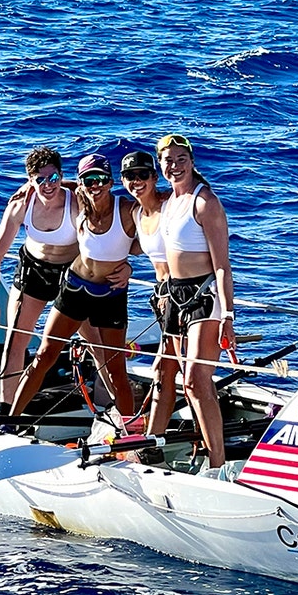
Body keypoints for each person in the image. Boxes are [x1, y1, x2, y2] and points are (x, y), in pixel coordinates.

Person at [8, 154, 138, 424]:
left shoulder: (126, 209)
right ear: (81, 184)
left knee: (116, 371)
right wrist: (30, 187)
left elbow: (152, 236)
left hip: (111, 294)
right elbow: (56, 185)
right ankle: (10, 422)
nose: (96, 185)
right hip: (75, 288)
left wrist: (129, 267)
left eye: (102, 179)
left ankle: (132, 434)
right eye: (90, 180)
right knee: (44, 355)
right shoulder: (79, 199)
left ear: (112, 181)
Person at [0, 146, 94, 415]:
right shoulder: (20, 206)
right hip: (34, 272)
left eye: (53, 178)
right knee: (15, 340)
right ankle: (6, 410)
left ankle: (106, 402)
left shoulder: (76, 202)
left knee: (94, 338)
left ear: (61, 176)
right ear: (30, 181)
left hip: (70, 271)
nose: (47, 185)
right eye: (40, 180)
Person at [155, 134, 235, 471]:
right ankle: (203, 449)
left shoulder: (205, 203)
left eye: (180, 159)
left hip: (205, 298)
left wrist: (228, 315)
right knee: (180, 381)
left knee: (195, 380)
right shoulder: (170, 202)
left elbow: (221, 265)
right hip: (175, 296)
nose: (174, 166)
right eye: (167, 160)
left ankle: (219, 464)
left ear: (191, 160)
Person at [120, 151, 179, 443]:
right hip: (163, 299)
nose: (137, 181)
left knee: (185, 374)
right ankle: (153, 440)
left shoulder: (171, 204)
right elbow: (131, 247)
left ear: (155, 177)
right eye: (130, 176)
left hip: (187, 297)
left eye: (144, 175)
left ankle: (207, 447)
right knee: (164, 371)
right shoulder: (134, 213)